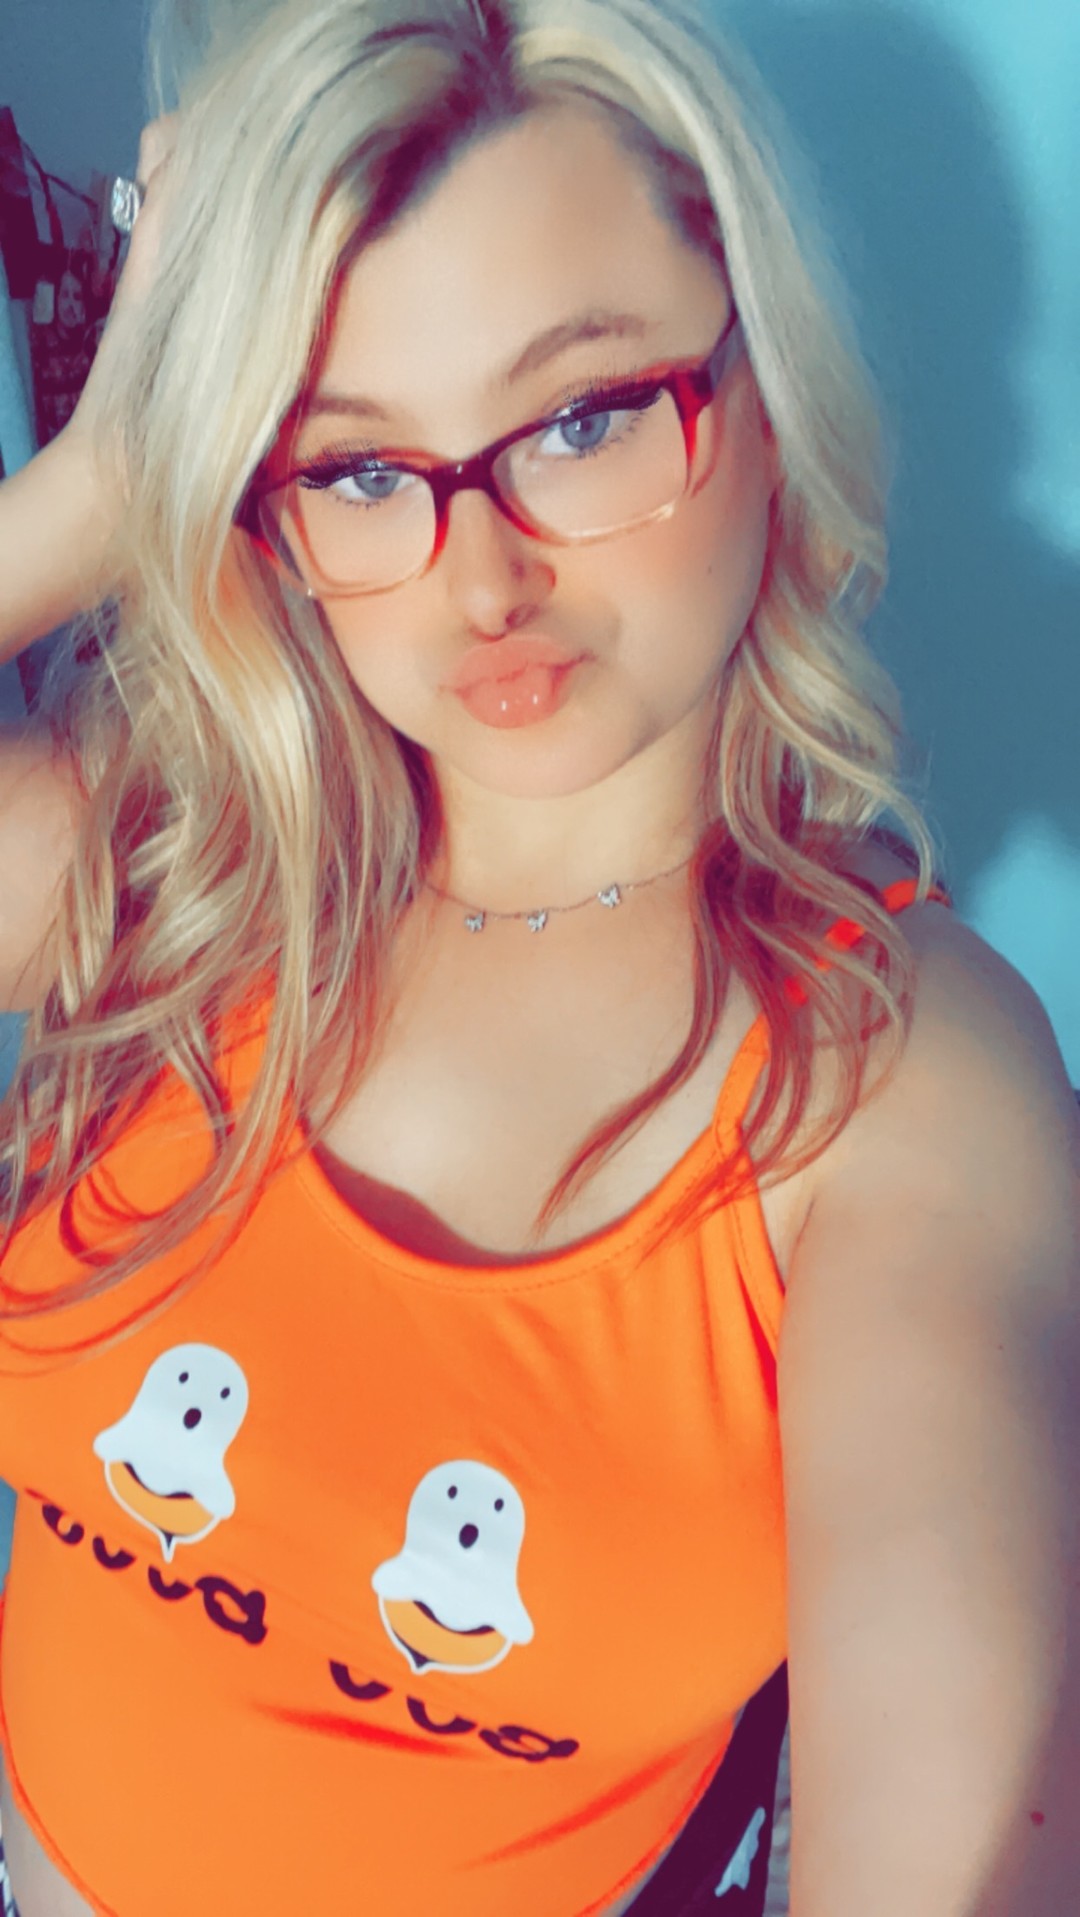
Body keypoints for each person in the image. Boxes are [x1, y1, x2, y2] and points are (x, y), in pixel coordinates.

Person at [0, 1, 1076, 1912]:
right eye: (357, 468)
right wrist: (99, 485)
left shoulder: (894, 1075)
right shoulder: (176, 871)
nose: (481, 579)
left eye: (580, 422)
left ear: (762, 386)